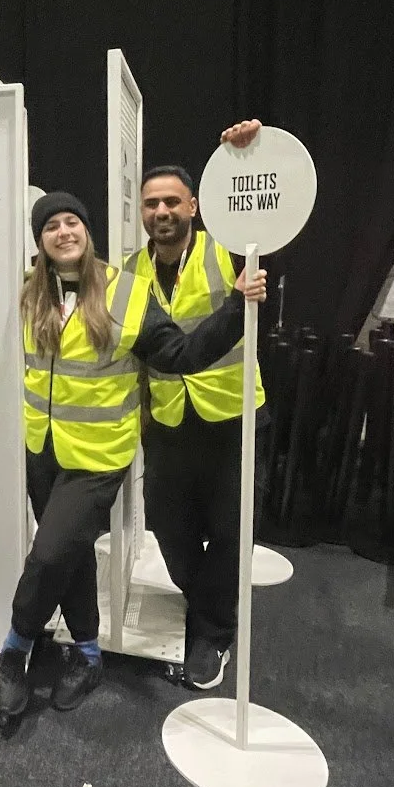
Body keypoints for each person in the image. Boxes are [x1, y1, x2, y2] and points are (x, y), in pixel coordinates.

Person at [0, 124, 266, 717]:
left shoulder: (126, 288)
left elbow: (182, 352)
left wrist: (249, 155)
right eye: (50, 225)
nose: (63, 231)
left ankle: (14, 648)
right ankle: (88, 654)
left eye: (72, 222)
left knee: (51, 554)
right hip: (48, 447)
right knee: (73, 555)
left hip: (130, 444)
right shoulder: (29, 293)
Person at [125, 119, 269, 690]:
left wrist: (246, 154)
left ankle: (213, 632)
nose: (161, 211)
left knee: (232, 531)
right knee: (167, 525)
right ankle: (207, 600)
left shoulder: (230, 248)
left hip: (233, 414)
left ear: (194, 206)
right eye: (151, 203)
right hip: (167, 421)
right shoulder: (130, 271)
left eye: (172, 201)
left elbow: (267, 210)